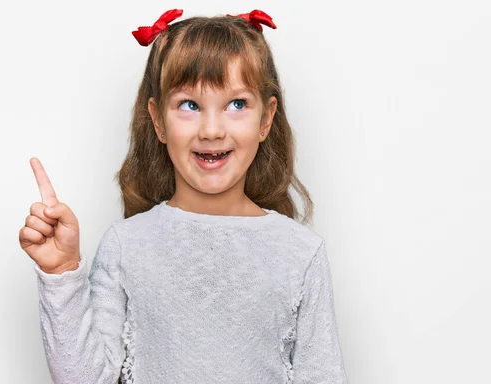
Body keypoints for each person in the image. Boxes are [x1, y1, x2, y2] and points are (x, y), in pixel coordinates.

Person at [19, 8, 348, 384]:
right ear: (158, 120)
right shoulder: (127, 245)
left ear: (266, 119)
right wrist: (60, 273)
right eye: (189, 105)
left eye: (236, 104)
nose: (211, 129)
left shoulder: (301, 253)